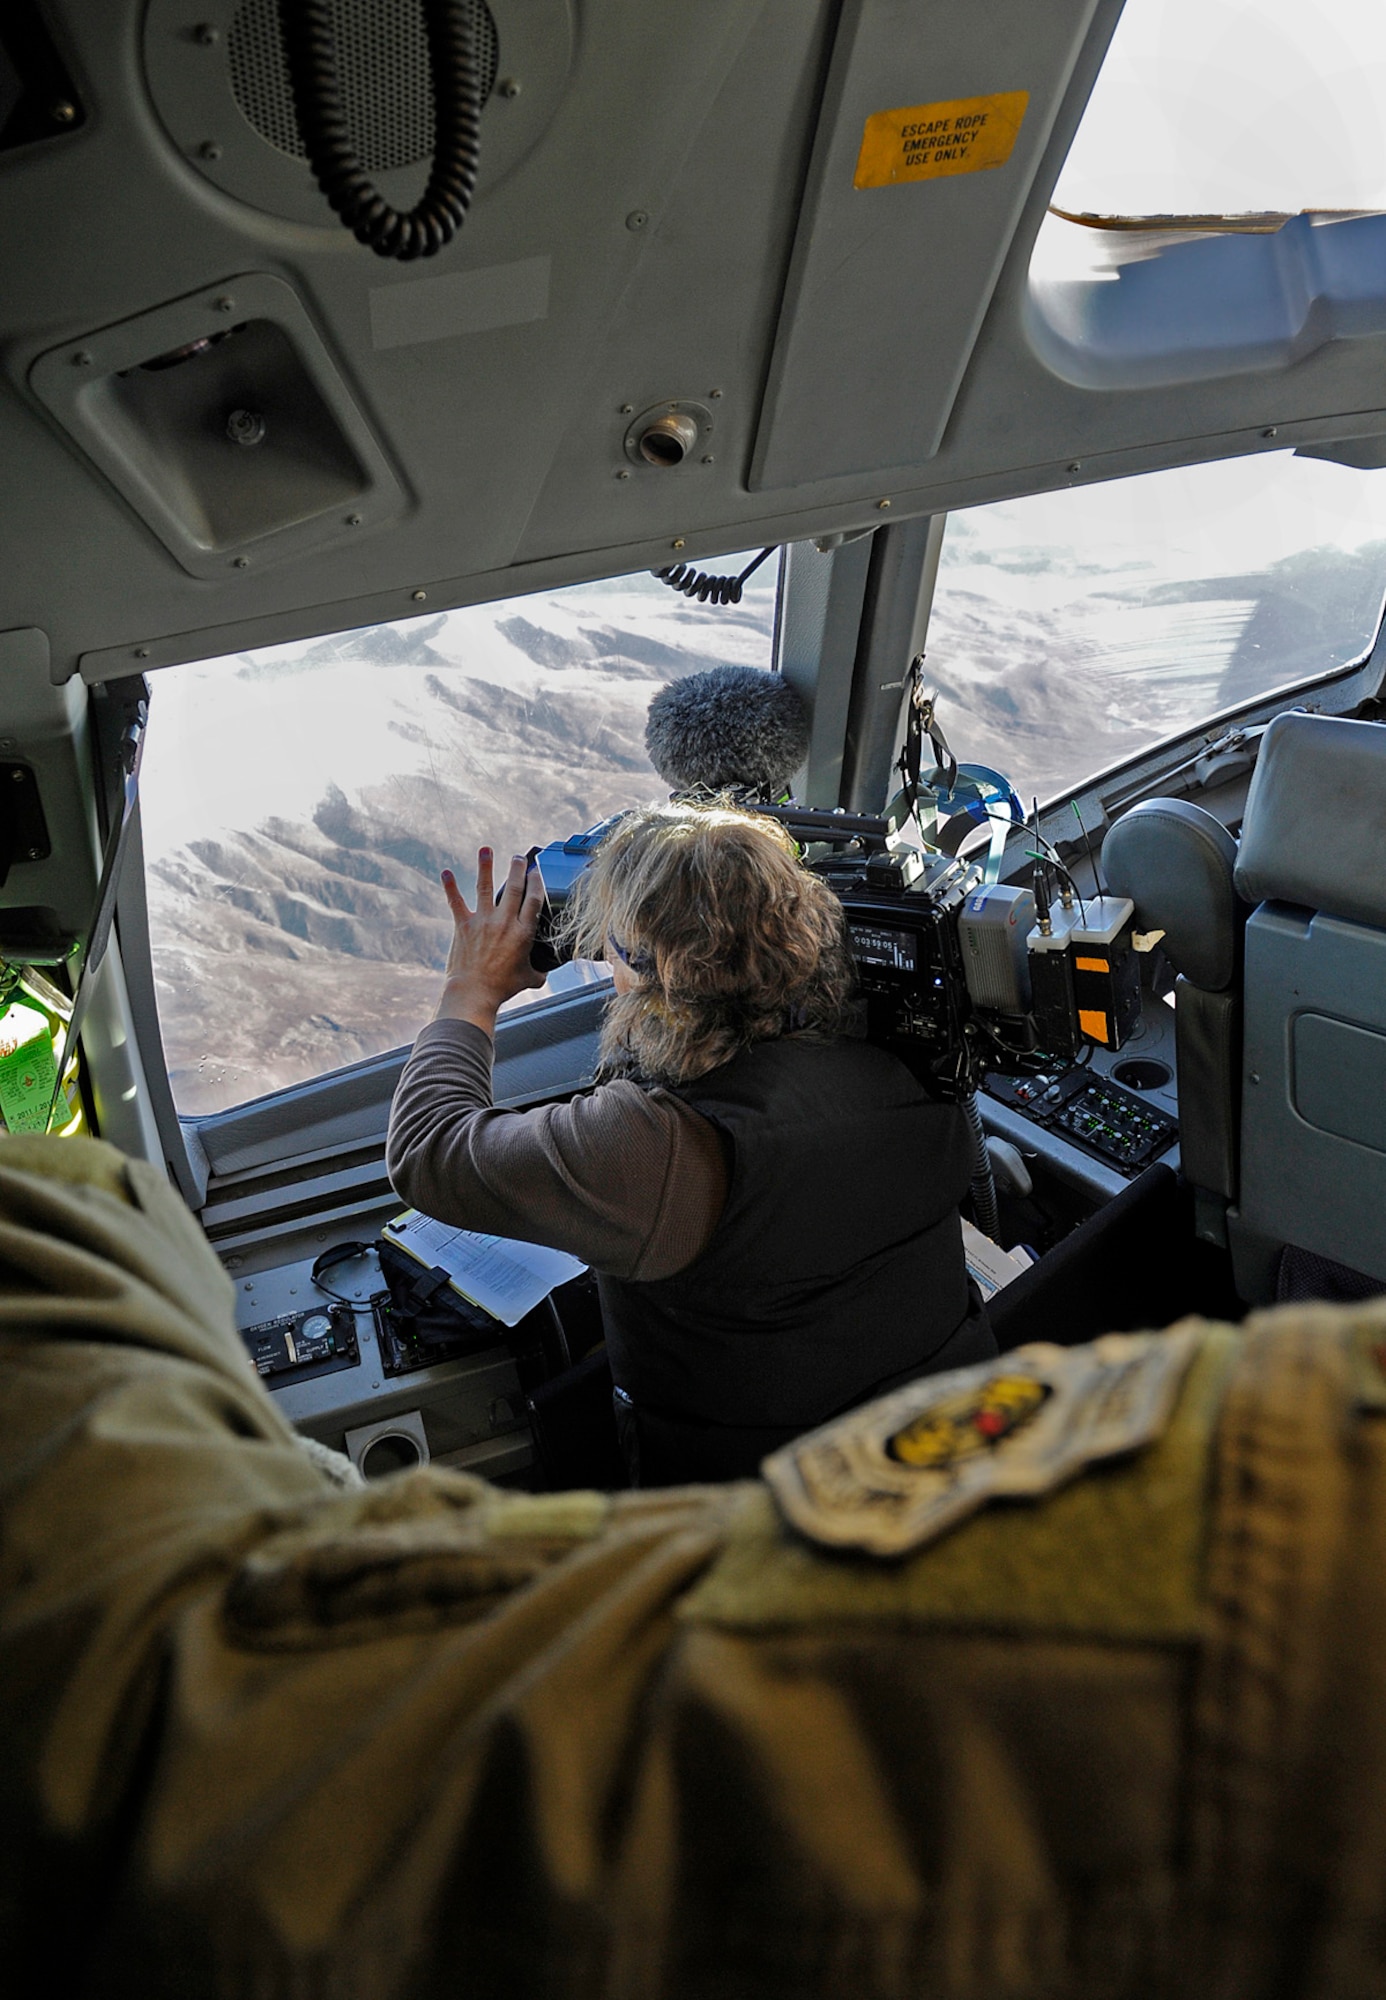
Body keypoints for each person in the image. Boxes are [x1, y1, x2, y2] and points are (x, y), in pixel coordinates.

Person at [386, 801, 993, 1483]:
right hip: (951, 1453)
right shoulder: (913, 1050)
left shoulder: (656, 1143)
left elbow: (428, 1149)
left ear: (655, 967)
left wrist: (469, 992)